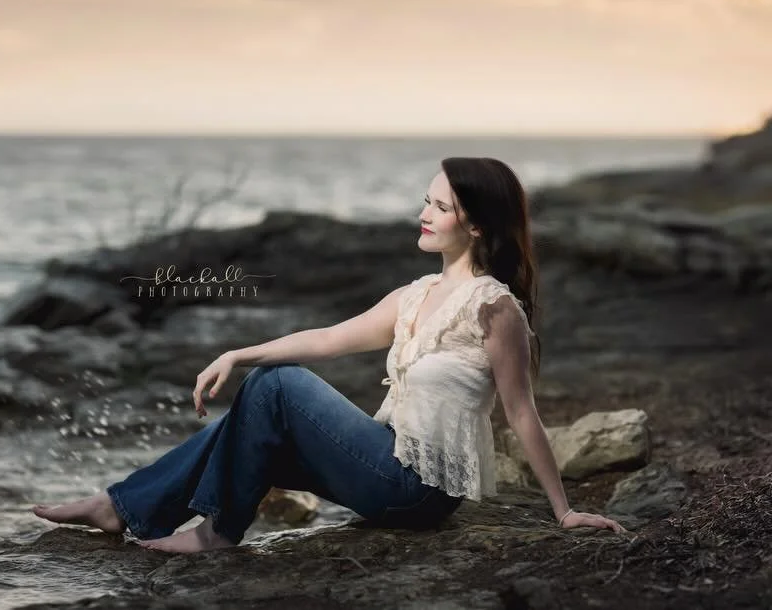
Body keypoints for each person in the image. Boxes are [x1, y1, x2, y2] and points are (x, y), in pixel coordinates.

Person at [31, 157, 628, 552]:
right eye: (427, 200)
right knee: (247, 420)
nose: (423, 214)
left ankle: (218, 533)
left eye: (441, 207)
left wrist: (565, 511)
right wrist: (237, 351)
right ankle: (118, 507)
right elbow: (327, 337)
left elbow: (522, 411)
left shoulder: (494, 309)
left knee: (279, 386)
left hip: (416, 486)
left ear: (476, 226)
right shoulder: (416, 295)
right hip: (381, 464)